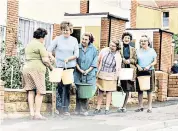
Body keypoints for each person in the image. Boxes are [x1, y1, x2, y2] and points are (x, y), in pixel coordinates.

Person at [47, 21, 79, 116]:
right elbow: (49, 50)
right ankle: (58, 108)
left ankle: (65, 109)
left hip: (70, 67)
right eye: (63, 30)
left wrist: (68, 58)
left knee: (67, 87)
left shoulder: (74, 40)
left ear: (71, 30)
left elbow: (77, 54)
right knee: (60, 87)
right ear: (61, 30)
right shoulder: (57, 39)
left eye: (67, 30)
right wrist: (52, 57)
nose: (65, 32)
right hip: (60, 66)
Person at [22, 28, 54, 120]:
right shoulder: (40, 45)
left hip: (27, 68)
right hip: (37, 70)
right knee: (40, 91)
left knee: (31, 90)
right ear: (42, 37)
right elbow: (45, 60)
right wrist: (52, 68)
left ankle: (32, 113)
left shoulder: (29, 44)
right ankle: (37, 114)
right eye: (44, 38)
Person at [94, 39, 122, 115]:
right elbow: (98, 60)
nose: (111, 47)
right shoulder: (104, 50)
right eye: (110, 45)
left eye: (113, 46)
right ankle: (98, 108)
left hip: (111, 75)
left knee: (109, 92)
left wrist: (118, 78)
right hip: (102, 72)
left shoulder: (118, 55)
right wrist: (96, 70)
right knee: (101, 91)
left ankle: (107, 108)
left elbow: (118, 68)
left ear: (117, 47)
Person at [74, 33, 98, 116]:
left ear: (89, 40)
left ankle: (84, 109)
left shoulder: (94, 49)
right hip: (78, 72)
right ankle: (77, 109)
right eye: (83, 39)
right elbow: (75, 59)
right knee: (78, 90)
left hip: (89, 73)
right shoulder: (77, 47)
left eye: (86, 39)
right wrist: (79, 69)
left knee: (86, 91)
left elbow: (95, 62)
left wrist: (87, 70)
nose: (83, 41)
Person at [136, 35, 157, 113]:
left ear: (148, 42)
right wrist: (138, 66)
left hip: (149, 71)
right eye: (141, 41)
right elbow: (135, 61)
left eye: (145, 41)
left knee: (149, 90)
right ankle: (140, 106)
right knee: (140, 90)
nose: (143, 42)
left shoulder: (152, 50)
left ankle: (149, 107)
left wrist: (149, 65)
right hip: (140, 71)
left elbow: (155, 61)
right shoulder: (137, 51)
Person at [118, 32, 137, 113]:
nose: (127, 39)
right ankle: (119, 105)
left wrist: (129, 61)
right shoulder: (119, 48)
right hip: (120, 69)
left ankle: (124, 106)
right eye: (125, 38)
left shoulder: (133, 49)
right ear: (122, 39)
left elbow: (135, 60)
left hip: (129, 70)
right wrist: (122, 60)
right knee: (119, 88)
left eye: (128, 38)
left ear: (130, 40)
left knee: (127, 89)